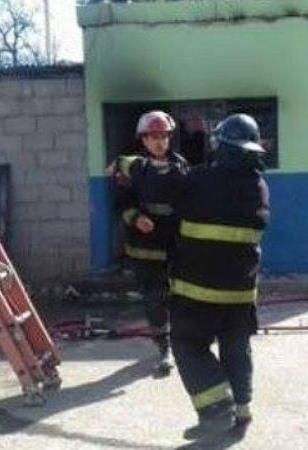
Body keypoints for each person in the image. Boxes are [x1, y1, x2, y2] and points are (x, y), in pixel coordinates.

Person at [115, 113, 269, 439]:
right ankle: (241, 412)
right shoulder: (259, 187)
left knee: (187, 345)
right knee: (236, 349)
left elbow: (159, 182)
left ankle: (216, 410)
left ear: (221, 147)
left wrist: (128, 164)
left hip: (199, 293)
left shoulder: (199, 181)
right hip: (242, 294)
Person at [116, 110, 187, 376]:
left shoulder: (181, 166)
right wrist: (135, 218)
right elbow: (121, 203)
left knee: (180, 297)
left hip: (174, 244)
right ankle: (163, 348)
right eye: (153, 137)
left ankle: (183, 343)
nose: (159, 142)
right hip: (144, 247)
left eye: (164, 136)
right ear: (143, 140)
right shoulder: (133, 169)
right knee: (155, 299)